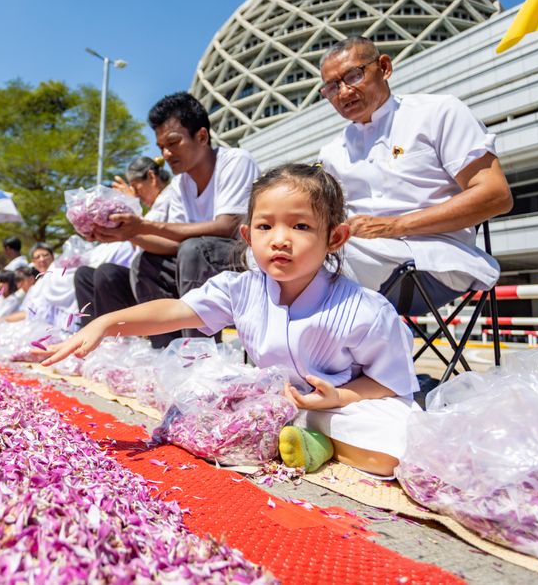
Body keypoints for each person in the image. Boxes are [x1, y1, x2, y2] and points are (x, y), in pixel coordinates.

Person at [40, 164, 420, 476]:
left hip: (342, 404)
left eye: (300, 226)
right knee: (199, 401)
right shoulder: (240, 288)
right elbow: (173, 311)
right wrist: (105, 323)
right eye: (265, 226)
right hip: (272, 400)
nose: (280, 240)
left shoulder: (365, 309)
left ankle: (312, 436)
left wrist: (338, 397)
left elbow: (390, 383)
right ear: (247, 235)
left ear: (335, 238)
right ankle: (300, 435)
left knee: (389, 448)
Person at [317, 36, 514, 313]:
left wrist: (395, 226)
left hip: (434, 258)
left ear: (384, 67)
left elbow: (495, 196)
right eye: (332, 87)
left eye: (353, 75)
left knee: (317, 259)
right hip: (361, 256)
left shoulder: (437, 112)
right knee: (267, 254)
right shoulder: (332, 151)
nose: (344, 92)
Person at [91, 93, 260, 347]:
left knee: (194, 250)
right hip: (196, 260)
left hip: (242, 263)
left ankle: (198, 355)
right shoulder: (182, 183)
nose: (167, 154)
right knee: (146, 262)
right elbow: (173, 243)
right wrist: (127, 234)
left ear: (202, 137)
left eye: (173, 143)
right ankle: (167, 351)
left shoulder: (236, 161)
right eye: (161, 148)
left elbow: (227, 227)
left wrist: (144, 225)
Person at [74, 156, 175, 327]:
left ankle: (116, 339)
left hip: (160, 274)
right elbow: (139, 243)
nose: (135, 193)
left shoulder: (172, 196)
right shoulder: (153, 208)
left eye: (136, 187)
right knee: (83, 275)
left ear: (151, 177)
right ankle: (91, 335)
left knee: (107, 273)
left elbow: (161, 239)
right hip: (141, 275)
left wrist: (133, 205)